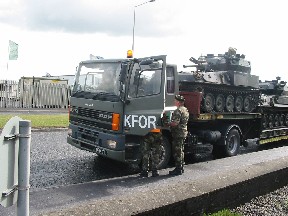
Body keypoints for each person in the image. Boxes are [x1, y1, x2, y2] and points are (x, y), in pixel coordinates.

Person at [168, 95, 189, 175]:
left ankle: (178, 169)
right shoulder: (185, 109)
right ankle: (181, 167)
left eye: (175, 101)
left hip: (178, 133)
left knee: (177, 152)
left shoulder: (178, 111)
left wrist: (168, 123)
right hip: (183, 132)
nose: (174, 102)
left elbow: (175, 123)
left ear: (178, 102)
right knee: (180, 150)